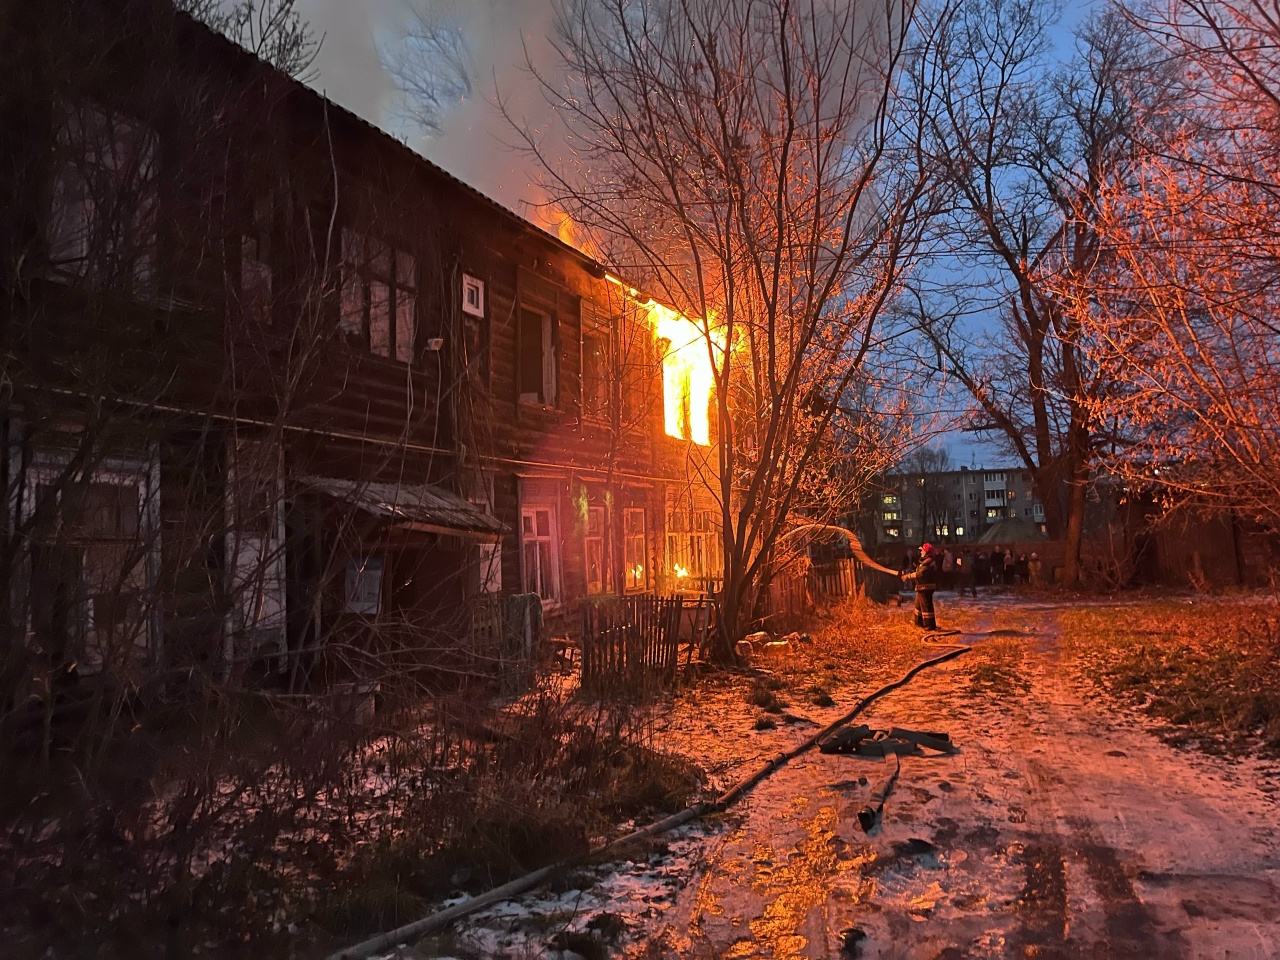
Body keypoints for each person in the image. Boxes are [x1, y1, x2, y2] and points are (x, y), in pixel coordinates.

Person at [903, 542, 939, 630]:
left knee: (926, 607)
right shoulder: (926, 561)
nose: (921, 552)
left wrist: (907, 576)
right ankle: (918, 622)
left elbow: (920, 574)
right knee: (918, 606)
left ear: (927, 552)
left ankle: (929, 625)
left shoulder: (928, 561)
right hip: (921, 587)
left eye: (923, 550)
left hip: (925, 587)